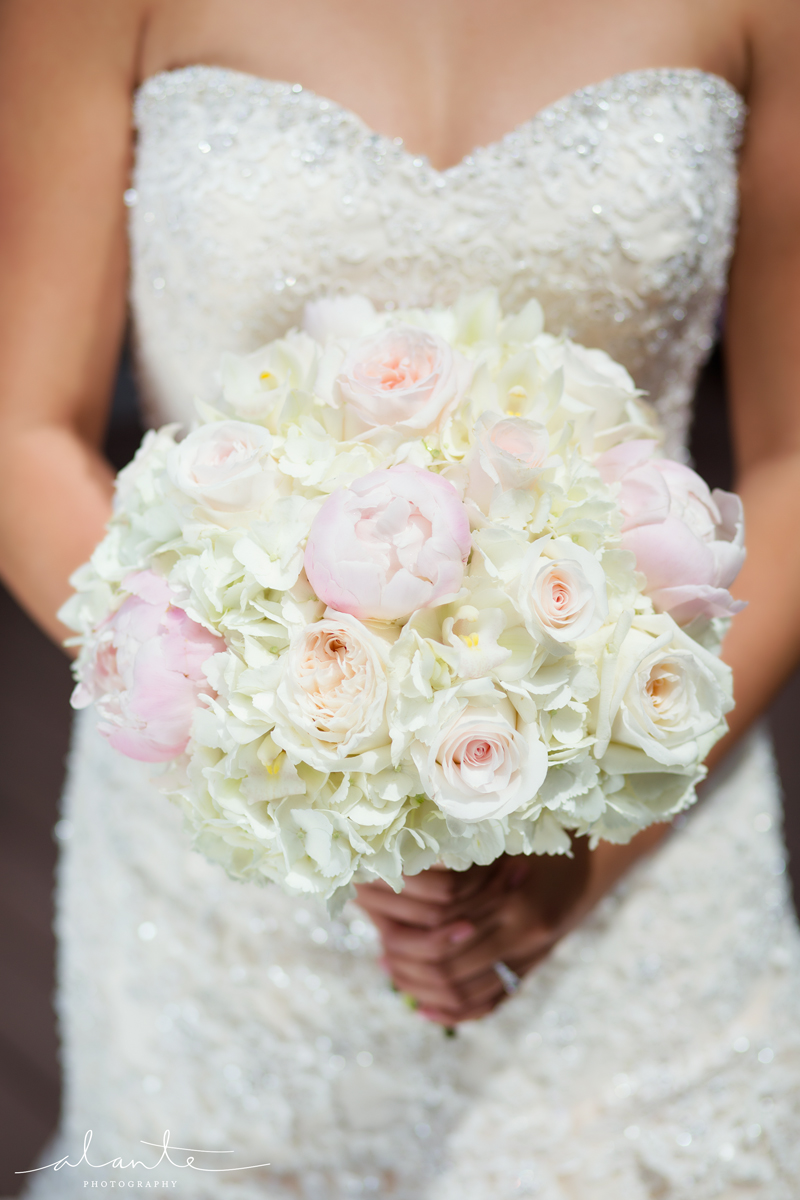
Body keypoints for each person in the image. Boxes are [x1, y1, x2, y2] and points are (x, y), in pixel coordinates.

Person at [1, 0, 799, 1194]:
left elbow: (791, 462)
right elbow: (21, 429)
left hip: (639, 847)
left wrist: (593, 842)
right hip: (227, 868)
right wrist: (270, 736)